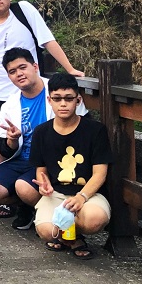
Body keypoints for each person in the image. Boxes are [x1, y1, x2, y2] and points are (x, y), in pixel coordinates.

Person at [0, 0, 84, 174]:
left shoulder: (24, 11)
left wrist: (69, 69)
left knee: (39, 140)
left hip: (30, 92)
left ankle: (36, 184)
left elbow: (47, 40)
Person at [0, 48, 87, 229]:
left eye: (23, 67)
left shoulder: (58, 91)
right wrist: (12, 140)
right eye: (12, 71)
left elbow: (82, 125)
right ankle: (27, 206)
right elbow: (5, 151)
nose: (19, 74)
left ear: (35, 66)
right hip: (22, 159)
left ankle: (52, 216)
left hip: (52, 160)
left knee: (24, 187)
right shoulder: (9, 105)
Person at [29, 73, 112, 259]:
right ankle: (74, 239)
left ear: (78, 100)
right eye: (57, 99)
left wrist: (82, 196)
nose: (63, 104)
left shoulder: (95, 130)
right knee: (46, 231)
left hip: (89, 193)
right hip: (56, 194)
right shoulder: (41, 132)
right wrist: (44, 185)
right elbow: (41, 170)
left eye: (69, 98)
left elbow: (100, 173)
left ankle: (71, 233)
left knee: (94, 220)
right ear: (49, 101)